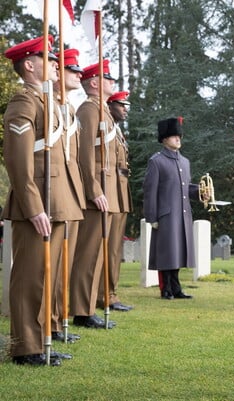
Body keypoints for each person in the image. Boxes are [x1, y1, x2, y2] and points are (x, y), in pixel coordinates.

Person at [3, 36, 84, 365]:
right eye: (48, 58)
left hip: (60, 200)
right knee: (30, 277)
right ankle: (25, 347)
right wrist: (33, 205)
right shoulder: (24, 102)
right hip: (38, 203)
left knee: (48, 278)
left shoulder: (49, 103)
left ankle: (41, 340)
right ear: (29, 65)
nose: (56, 64)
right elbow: (18, 161)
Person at [69, 59, 119, 329]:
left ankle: (87, 306)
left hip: (107, 191)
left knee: (97, 253)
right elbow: (85, 154)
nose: (113, 83)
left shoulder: (102, 110)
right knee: (88, 254)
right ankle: (81, 309)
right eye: (109, 79)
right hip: (96, 193)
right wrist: (94, 189)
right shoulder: (89, 110)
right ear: (96, 83)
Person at [50, 47, 87, 343]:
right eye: (73, 70)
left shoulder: (70, 108)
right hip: (53, 192)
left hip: (71, 192)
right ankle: (48, 326)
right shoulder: (43, 103)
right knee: (50, 267)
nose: (79, 75)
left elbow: (75, 158)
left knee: (64, 264)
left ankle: (56, 321)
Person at [143, 117, 198, 300]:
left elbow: (185, 188)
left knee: (178, 252)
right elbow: (150, 191)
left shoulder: (185, 162)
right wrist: (152, 218)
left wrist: (201, 192)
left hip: (182, 214)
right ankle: (165, 288)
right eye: (174, 136)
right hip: (166, 215)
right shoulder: (156, 161)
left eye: (179, 136)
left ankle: (176, 288)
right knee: (167, 253)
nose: (178, 139)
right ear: (164, 139)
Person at [96, 90, 134, 312]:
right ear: (110, 106)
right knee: (106, 247)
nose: (125, 109)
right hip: (109, 192)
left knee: (115, 249)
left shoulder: (117, 131)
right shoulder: (105, 125)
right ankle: (104, 295)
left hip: (119, 193)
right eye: (121, 105)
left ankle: (111, 292)